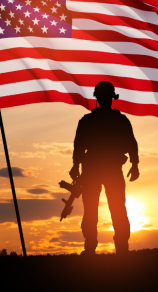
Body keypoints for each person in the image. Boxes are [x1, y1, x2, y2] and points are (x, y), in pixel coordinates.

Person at [69, 81, 139, 256]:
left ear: (97, 98)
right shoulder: (119, 120)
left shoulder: (88, 121)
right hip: (107, 170)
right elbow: (131, 144)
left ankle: (96, 247)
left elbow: (79, 147)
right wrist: (135, 164)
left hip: (95, 170)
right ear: (111, 98)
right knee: (113, 209)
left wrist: (76, 165)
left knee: (97, 209)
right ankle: (118, 248)